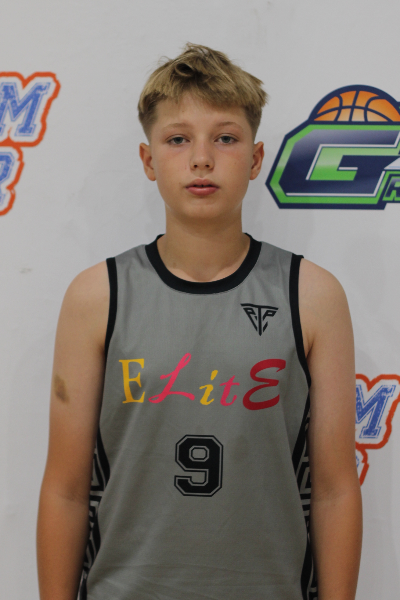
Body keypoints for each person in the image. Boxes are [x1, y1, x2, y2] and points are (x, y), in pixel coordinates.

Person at [37, 43, 362, 600]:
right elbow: (66, 489)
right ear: (148, 160)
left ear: (256, 159)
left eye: (226, 138)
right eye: (178, 139)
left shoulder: (312, 295)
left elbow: (334, 490)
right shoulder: (97, 296)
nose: (202, 159)